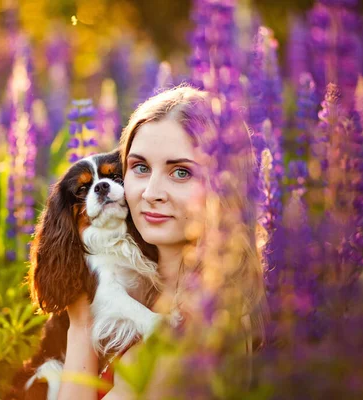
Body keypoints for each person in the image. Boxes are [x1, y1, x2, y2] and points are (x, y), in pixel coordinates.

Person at [57, 85, 268, 400]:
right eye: (140, 168)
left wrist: (81, 327)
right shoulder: (146, 295)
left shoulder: (192, 328)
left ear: (225, 187)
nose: (151, 192)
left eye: (181, 172)